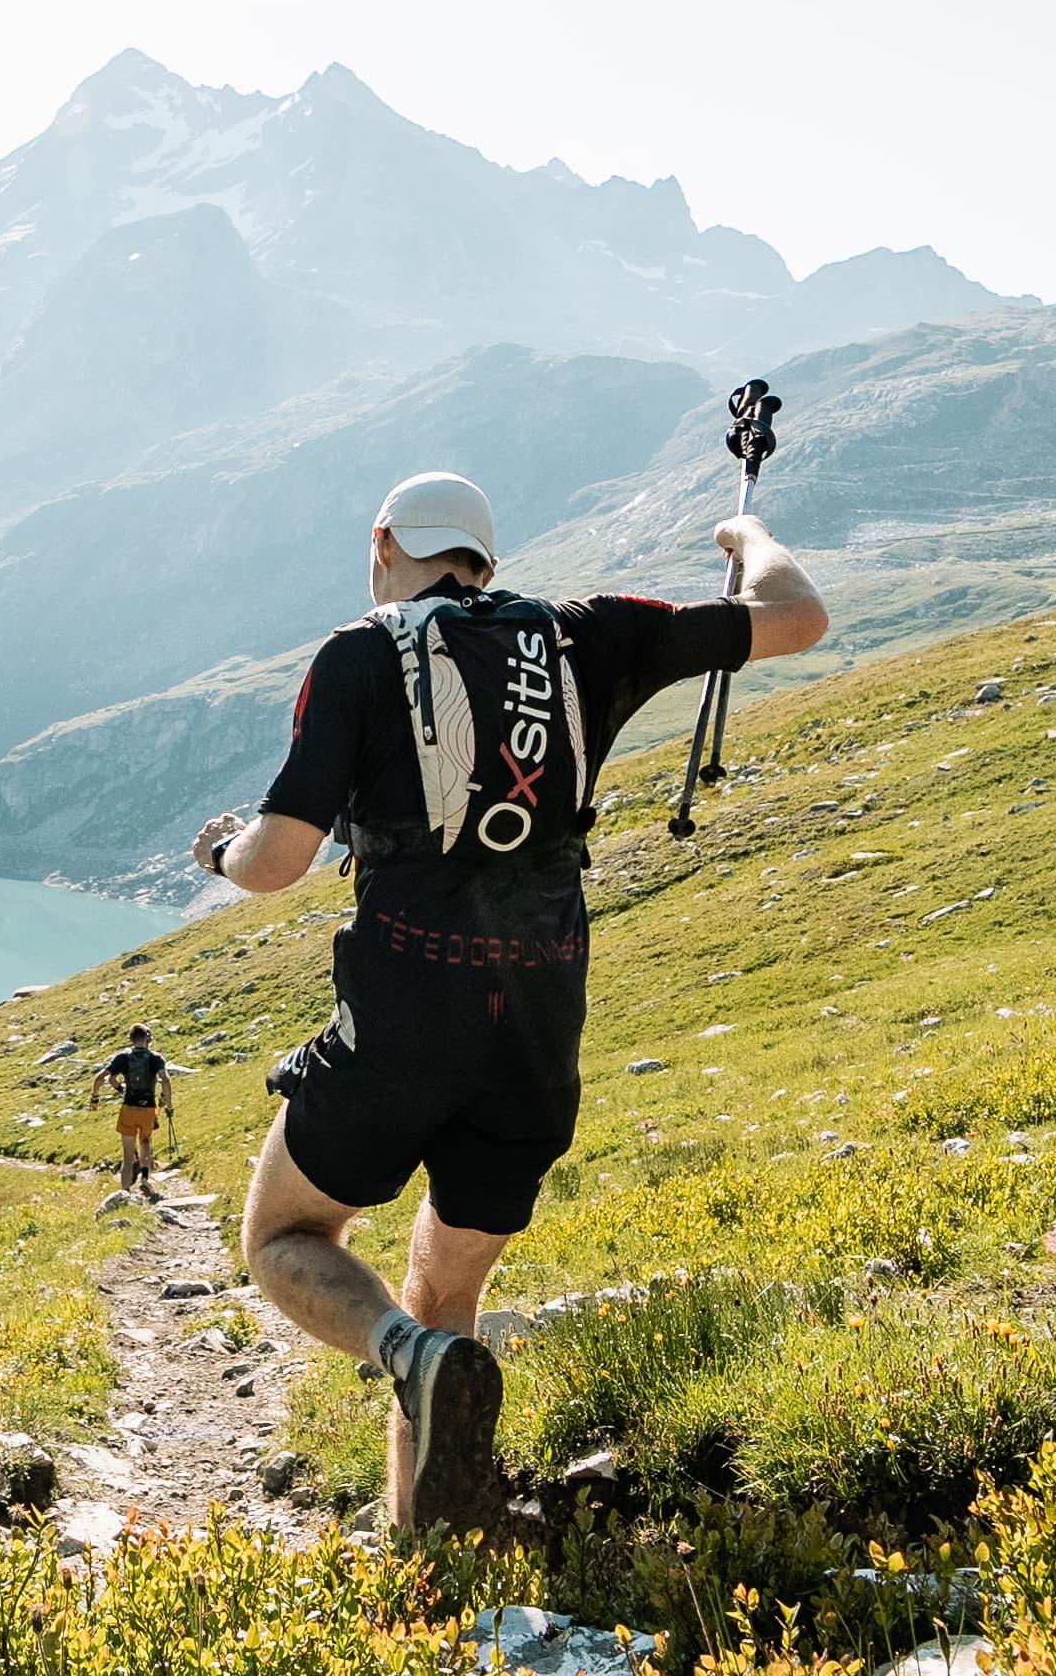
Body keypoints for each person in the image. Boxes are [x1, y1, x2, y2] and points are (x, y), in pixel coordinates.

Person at [191, 469, 826, 1535]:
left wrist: (217, 849)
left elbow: (276, 864)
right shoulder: (592, 634)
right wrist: (747, 529)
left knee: (283, 1238)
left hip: (404, 1012)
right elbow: (796, 616)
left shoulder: (358, 653)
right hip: (538, 1028)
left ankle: (404, 1356)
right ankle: (431, 1543)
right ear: (488, 562)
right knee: (450, 1293)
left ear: (384, 540)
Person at [90, 1024, 176, 1191]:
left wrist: (95, 1098)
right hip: (148, 1109)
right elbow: (165, 1080)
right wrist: (167, 1104)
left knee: (128, 1155)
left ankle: (125, 1192)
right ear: (147, 1039)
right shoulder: (155, 1058)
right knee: (145, 1141)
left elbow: (102, 1078)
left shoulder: (123, 1057)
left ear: (132, 1039)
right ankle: (145, 1177)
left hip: (128, 1107)